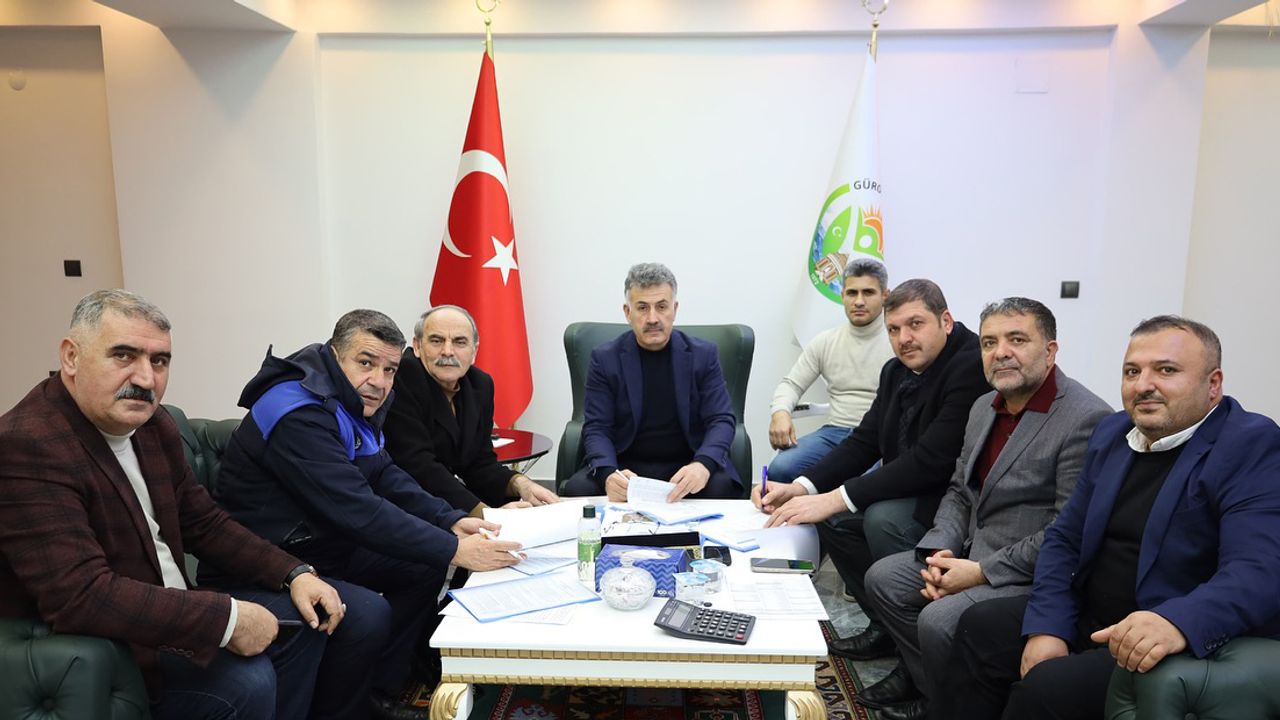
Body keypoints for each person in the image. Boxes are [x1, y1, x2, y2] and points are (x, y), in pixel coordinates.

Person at [0, 289, 376, 720]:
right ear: (71, 357)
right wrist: (226, 619)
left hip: (170, 609)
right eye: (123, 355)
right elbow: (81, 595)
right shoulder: (28, 443)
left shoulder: (152, 423)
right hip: (105, 646)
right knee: (248, 682)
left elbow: (204, 522)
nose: (146, 379)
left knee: (311, 618)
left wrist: (293, 573)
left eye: (159, 361)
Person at [932, 316, 1280, 720]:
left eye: (1166, 370)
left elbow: (1258, 568)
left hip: (1158, 627)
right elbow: (1065, 537)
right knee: (980, 627)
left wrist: (1176, 621)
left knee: (1047, 689)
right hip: (1090, 611)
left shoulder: (1250, 444)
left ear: (1213, 384)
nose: (1143, 385)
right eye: (1132, 371)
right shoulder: (1114, 432)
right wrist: (1048, 626)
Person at [212, 309, 522, 720]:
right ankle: (341, 710)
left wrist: (448, 518)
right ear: (334, 354)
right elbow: (358, 509)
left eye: (390, 369)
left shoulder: (352, 397)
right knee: (369, 612)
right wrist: (454, 549)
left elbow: (384, 472)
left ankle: (377, 692)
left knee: (422, 566)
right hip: (271, 559)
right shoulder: (298, 411)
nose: (379, 380)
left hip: (319, 540)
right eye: (366, 362)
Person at [856, 298, 1110, 720]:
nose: (1000, 352)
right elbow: (960, 490)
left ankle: (955, 705)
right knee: (884, 580)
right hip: (968, 550)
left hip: (1026, 572)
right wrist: (940, 550)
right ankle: (937, 692)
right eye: (989, 342)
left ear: (1050, 351)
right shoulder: (983, 407)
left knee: (938, 619)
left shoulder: (1085, 418)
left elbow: (1067, 530)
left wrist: (979, 572)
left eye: (1017, 340)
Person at [757, 279, 988, 660]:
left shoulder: (970, 366)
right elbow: (864, 441)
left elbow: (931, 461)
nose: (903, 339)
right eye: (893, 329)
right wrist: (803, 487)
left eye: (915, 324)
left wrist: (837, 497)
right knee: (830, 518)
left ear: (945, 321)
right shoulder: (895, 370)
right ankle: (886, 626)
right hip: (912, 486)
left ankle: (919, 643)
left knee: (881, 518)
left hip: (954, 500)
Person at [562, 262, 743, 501]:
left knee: (722, 487)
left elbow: (721, 419)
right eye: (642, 308)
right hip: (626, 466)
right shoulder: (605, 359)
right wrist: (608, 473)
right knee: (577, 490)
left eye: (661, 306)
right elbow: (597, 427)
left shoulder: (703, 355)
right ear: (627, 312)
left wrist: (703, 464)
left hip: (687, 464)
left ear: (674, 309)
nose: (652, 318)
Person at [384, 304, 558, 515]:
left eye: (460, 342)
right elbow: (419, 468)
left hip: (446, 497)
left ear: (474, 351)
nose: (448, 351)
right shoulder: (400, 378)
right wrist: (486, 515)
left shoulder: (480, 384)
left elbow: (478, 463)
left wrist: (521, 484)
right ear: (417, 346)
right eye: (437, 340)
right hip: (405, 504)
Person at [766, 258, 894, 484]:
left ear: (885, 295)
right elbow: (791, 384)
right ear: (842, 295)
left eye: (868, 292)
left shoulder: (899, 341)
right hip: (834, 432)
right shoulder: (826, 341)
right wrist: (780, 413)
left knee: (866, 484)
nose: (859, 301)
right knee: (781, 468)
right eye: (852, 293)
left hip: (879, 436)